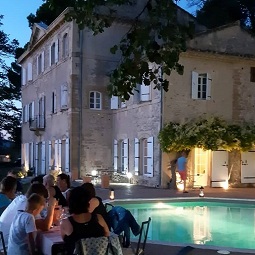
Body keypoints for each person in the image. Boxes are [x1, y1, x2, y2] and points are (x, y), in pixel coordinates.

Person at [0, 183, 56, 247]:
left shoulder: (19, 199)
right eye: (44, 198)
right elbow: (45, 226)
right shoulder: (28, 206)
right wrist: (51, 207)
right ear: (38, 196)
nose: (44, 202)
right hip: (8, 246)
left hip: (4, 241)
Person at [60, 186, 110, 255]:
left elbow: (64, 242)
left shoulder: (65, 223)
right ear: (88, 202)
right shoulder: (98, 218)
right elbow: (107, 235)